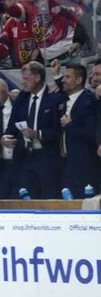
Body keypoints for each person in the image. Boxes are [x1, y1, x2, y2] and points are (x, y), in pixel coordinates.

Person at [2, 61, 64, 199]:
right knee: (24, 200)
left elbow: (57, 130)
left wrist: (37, 134)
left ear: (37, 78)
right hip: (24, 158)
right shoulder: (21, 99)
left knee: (48, 200)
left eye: (26, 78)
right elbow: (12, 126)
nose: (22, 82)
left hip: (47, 158)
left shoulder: (53, 98)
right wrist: (5, 137)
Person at [56, 62, 99, 198]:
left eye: (67, 77)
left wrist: (69, 125)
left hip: (85, 165)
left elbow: (91, 134)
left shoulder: (89, 101)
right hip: (67, 163)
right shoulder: (65, 99)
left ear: (79, 80)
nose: (63, 80)